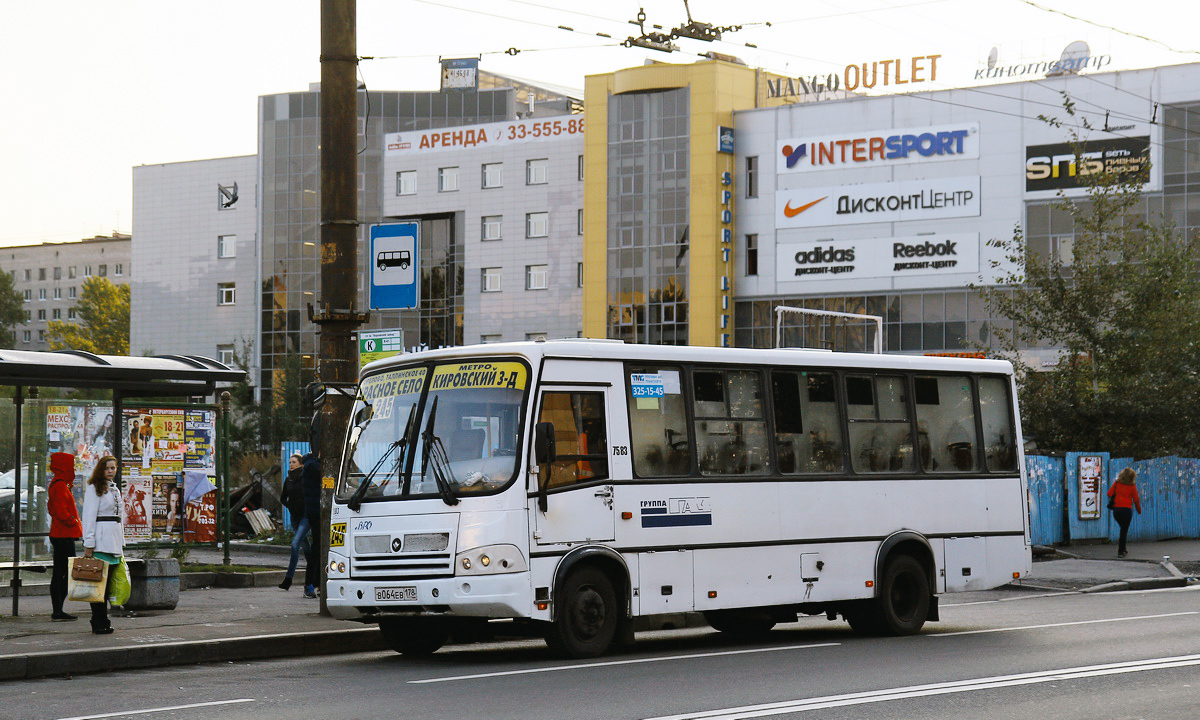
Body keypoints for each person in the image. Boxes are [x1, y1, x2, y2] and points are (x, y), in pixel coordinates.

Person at [81, 456, 124, 634]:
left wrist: (122, 542)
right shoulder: (94, 488)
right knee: (98, 586)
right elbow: (89, 516)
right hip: (100, 542)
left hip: (113, 542)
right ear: (101, 469)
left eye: (113, 468)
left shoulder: (114, 489)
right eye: (107, 468)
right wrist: (89, 543)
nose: (111, 471)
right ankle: (97, 621)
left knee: (108, 586)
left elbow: (120, 518)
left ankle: (103, 619)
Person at [47, 452, 82, 621]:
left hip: (60, 533)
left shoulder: (59, 484)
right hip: (63, 534)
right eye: (70, 465)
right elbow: (60, 510)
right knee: (66, 572)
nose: (73, 468)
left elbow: (52, 508)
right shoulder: (60, 485)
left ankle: (58, 609)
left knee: (62, 571)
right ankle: (58, 609)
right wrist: (73, 520)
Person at [278, 454, 309, 591]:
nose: (291, 464)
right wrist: (289, 505)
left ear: (301, 464)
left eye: (294, 462)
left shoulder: (305, 478)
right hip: (294, 516)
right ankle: (315, 574)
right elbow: (283, 498)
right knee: (306, 547)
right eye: (290, 462)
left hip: (305, 516)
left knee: (295, 544)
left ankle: (288, 579)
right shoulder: (289, 479)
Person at [1107, 467, 1142, 558]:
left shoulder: (1117, 483)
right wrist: (1139, 510)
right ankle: (1121, 551)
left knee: (1123, 529)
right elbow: (1136, 500)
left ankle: (1123, 549)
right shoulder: (1132, 486)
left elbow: (1109, 493)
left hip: (1117, 510)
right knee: (1124, 530)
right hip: (1126, 510)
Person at [301, 451, 322, 598]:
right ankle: (312, 583)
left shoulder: (311, 465)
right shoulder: (313, 466)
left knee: (319, 548)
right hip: (317, 513)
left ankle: (315, 583)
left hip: (315, 512)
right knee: (318, 549)